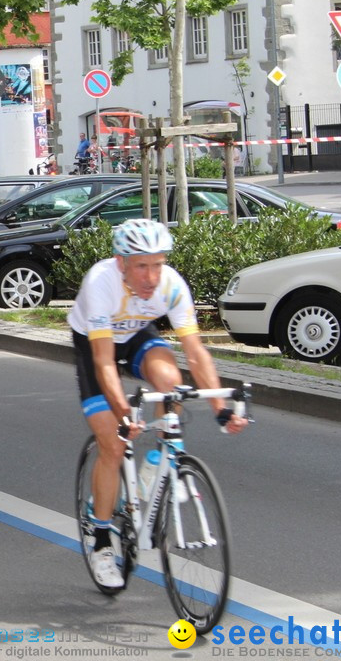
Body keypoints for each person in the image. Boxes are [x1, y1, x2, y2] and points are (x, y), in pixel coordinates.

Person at [68, 218, 248, 590]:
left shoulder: (171, 285)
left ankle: (159, 463)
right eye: (141, 266)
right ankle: (101, 540)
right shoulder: (100, 283)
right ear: (122, 264)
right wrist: (123, 416)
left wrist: (221, 409)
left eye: (158, 264)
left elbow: (196, 353)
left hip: (135, 334)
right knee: (113, 443)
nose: (151, 277)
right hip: (94, 343)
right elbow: (104, 363)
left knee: (172, 384)